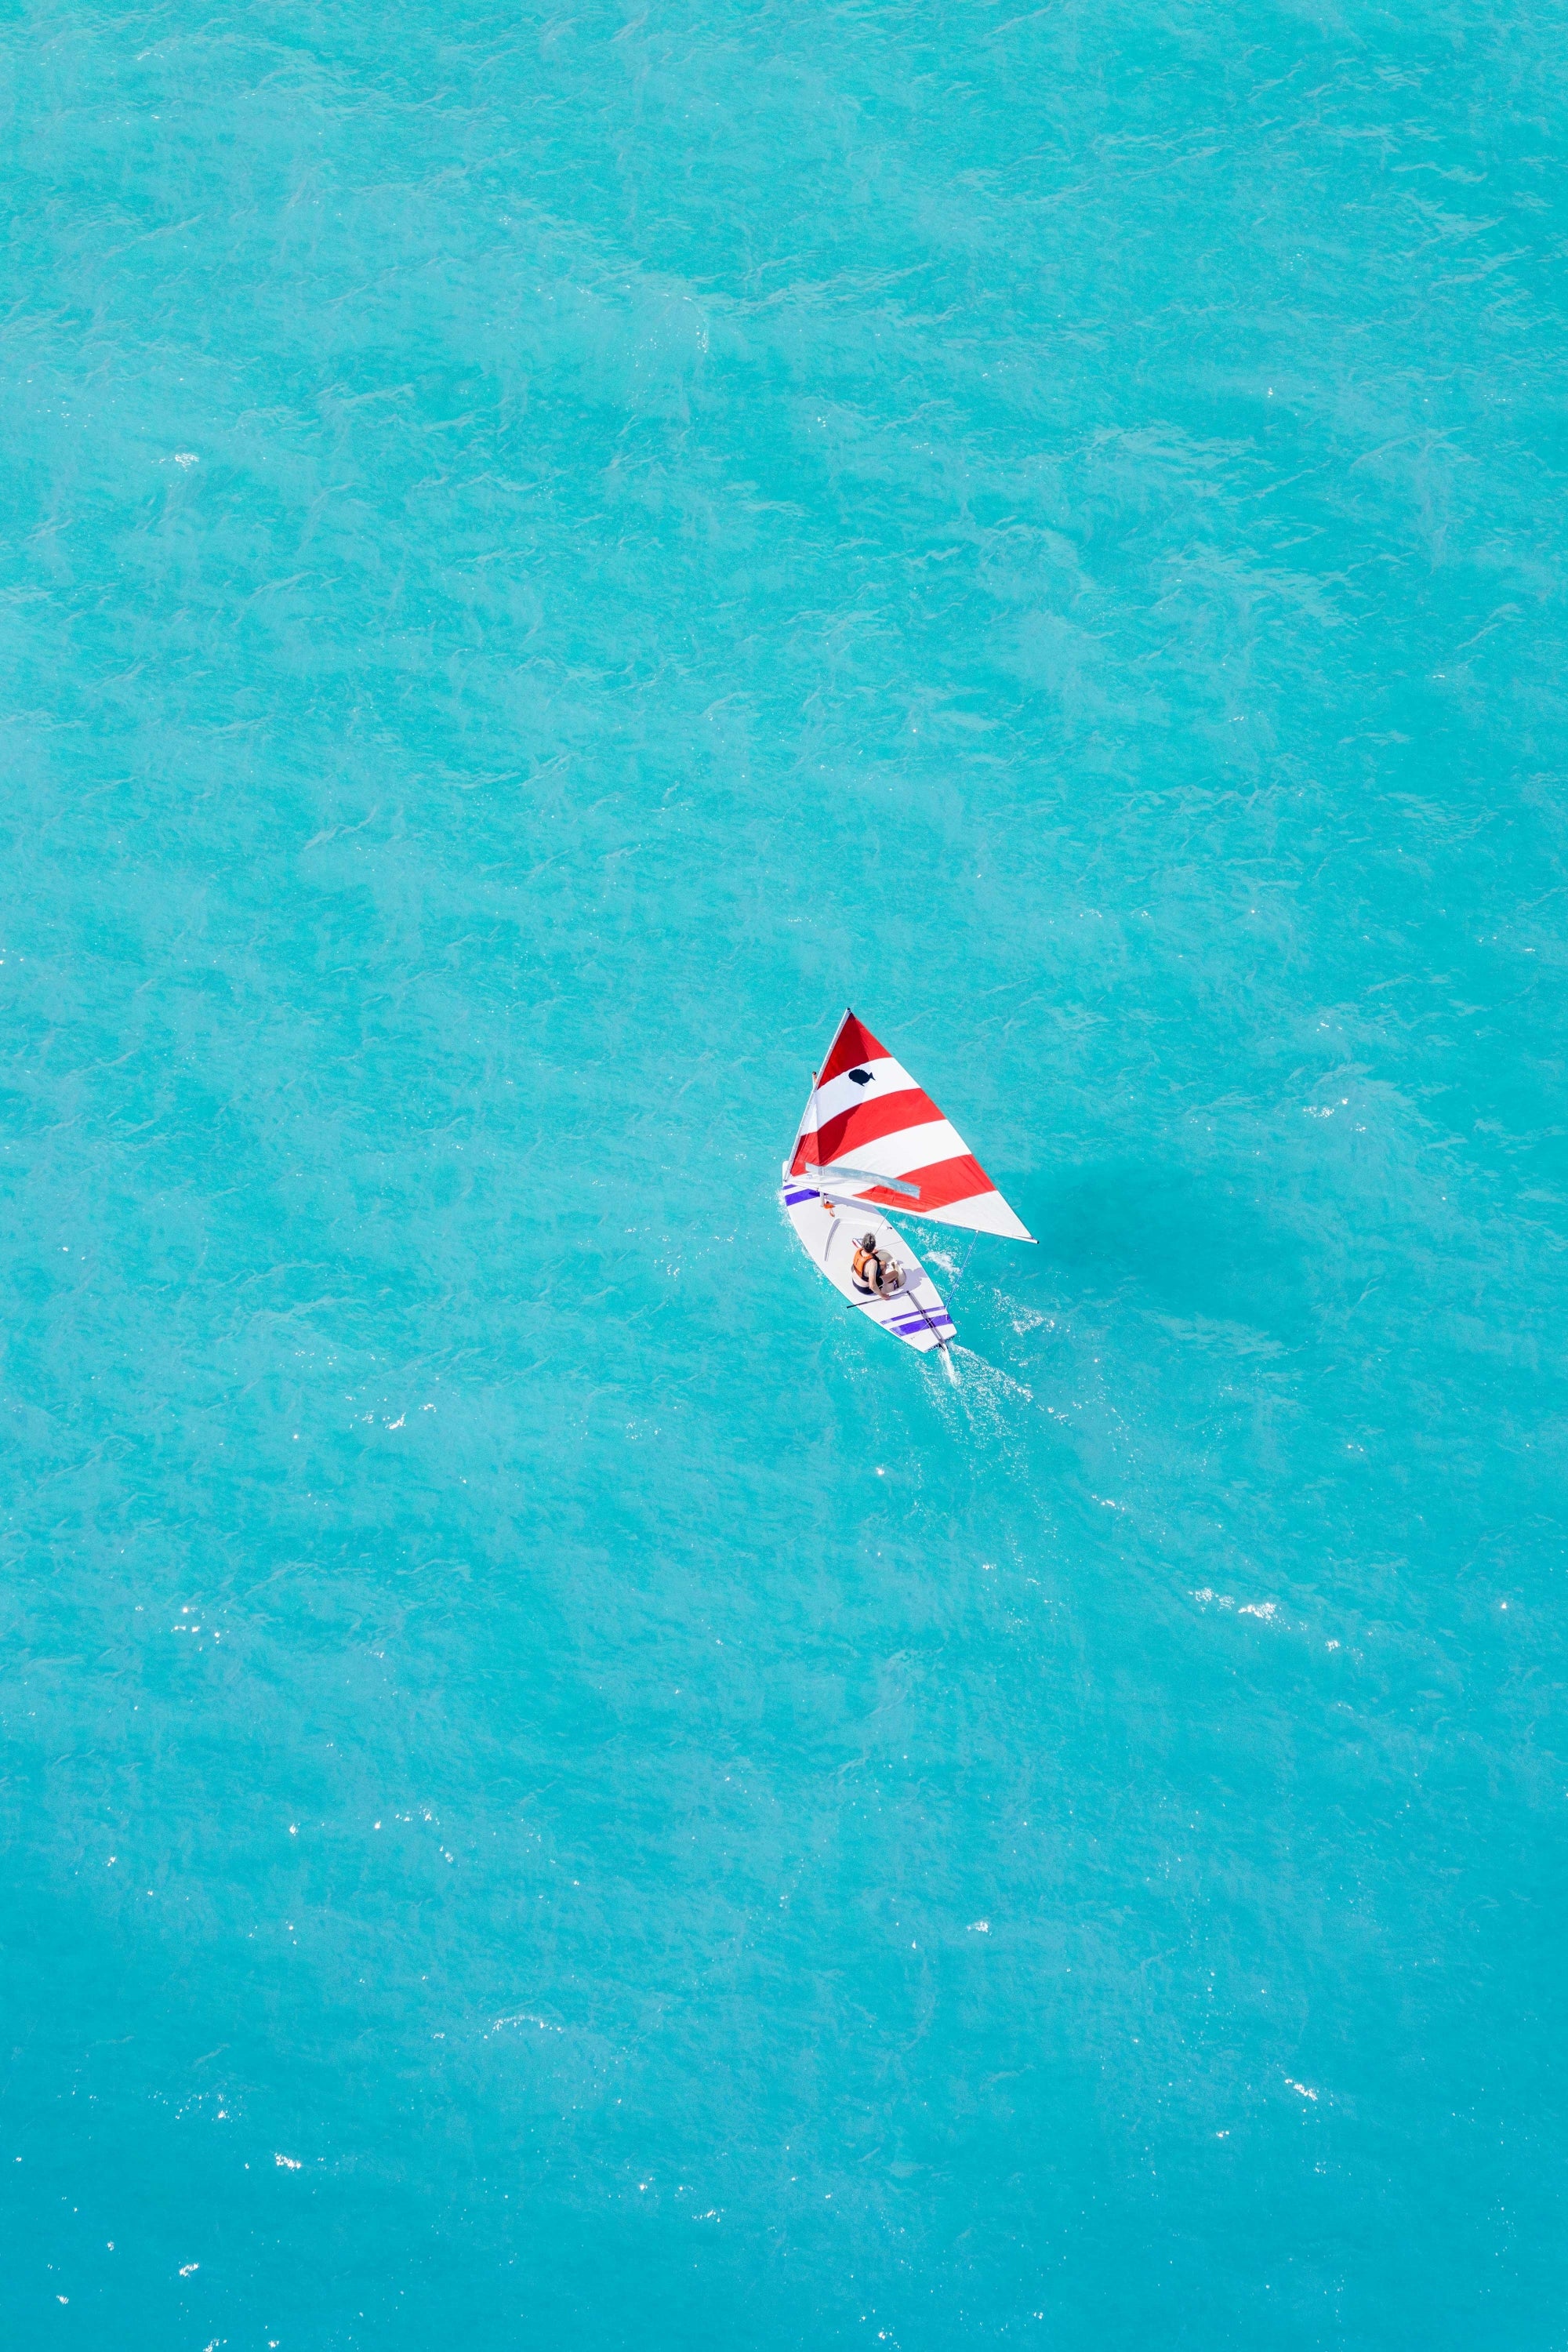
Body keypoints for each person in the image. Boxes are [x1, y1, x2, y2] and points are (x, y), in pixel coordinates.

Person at [851, 1233, 905, 1299]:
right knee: (895, 1273)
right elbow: (872, 1285)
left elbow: (865, 1256)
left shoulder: (859, 1250)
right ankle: (889, 1285)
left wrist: (872, 1252)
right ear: (874, 1246)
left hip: (854, 1281)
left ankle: (883, 1281)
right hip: (866, 1289)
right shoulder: (873, 1263)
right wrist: (882, 1295)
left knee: (883, 1264)